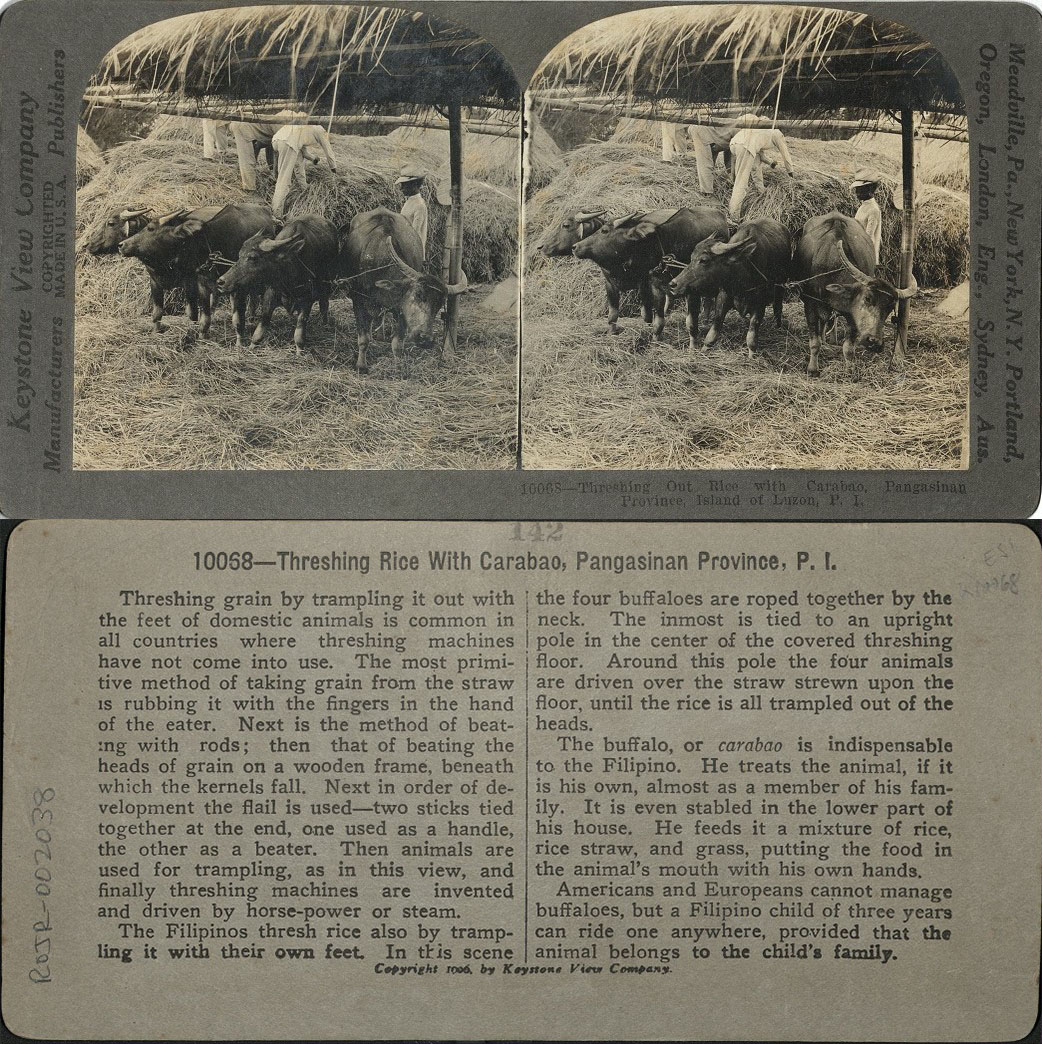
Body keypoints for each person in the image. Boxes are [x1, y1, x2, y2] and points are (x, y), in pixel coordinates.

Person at [727, 116, 794, 219]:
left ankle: (760, 190)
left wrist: (770, 162)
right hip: (745, 146)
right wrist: (790, 173)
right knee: (741, 182)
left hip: (735, 144)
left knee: (754, 163)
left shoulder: (761, 129)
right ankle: (734, 215)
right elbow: (785, 154)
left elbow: (759, 155)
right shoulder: (777, 133)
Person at [270, 117, 338, 217]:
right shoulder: (320, 131)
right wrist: (333, 169)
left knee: (298, 163)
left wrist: (313, 158)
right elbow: (328, 150)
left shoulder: (307, 129)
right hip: (288, 141)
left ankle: (304, 188)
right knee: (284, 180)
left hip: (277, 139)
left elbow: (303, 152)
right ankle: (276, 214)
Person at [686, 122, 738, 194]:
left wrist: (732, 176)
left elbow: (731, 156)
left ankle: (729, 181)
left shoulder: (736, 130)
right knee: (705, 162)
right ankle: (707, 192)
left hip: (718, 133)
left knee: (717, 157)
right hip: (702, 131)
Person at [229, 121, 277, 191]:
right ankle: (249, 187)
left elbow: (273, 146)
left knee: (270, 146)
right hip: (243, 128)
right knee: (247, 158)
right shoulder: (244, 127)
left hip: (261, 127)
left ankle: (273, 174)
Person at [851, 167, 884, 264]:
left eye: (860, 190)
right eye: (857, 190)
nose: (857, 193)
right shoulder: (863, 206)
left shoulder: (873, 209)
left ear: (869, 190)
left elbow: (868, 236)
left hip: (865, 251)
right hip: (858, 245)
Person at [397, 167, 429, 259]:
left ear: (414, 184)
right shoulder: (409, 201)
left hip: (412, 254)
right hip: (405, 249)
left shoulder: (419, 205)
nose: (401, 189)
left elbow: (415, 233)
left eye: (404, 185)